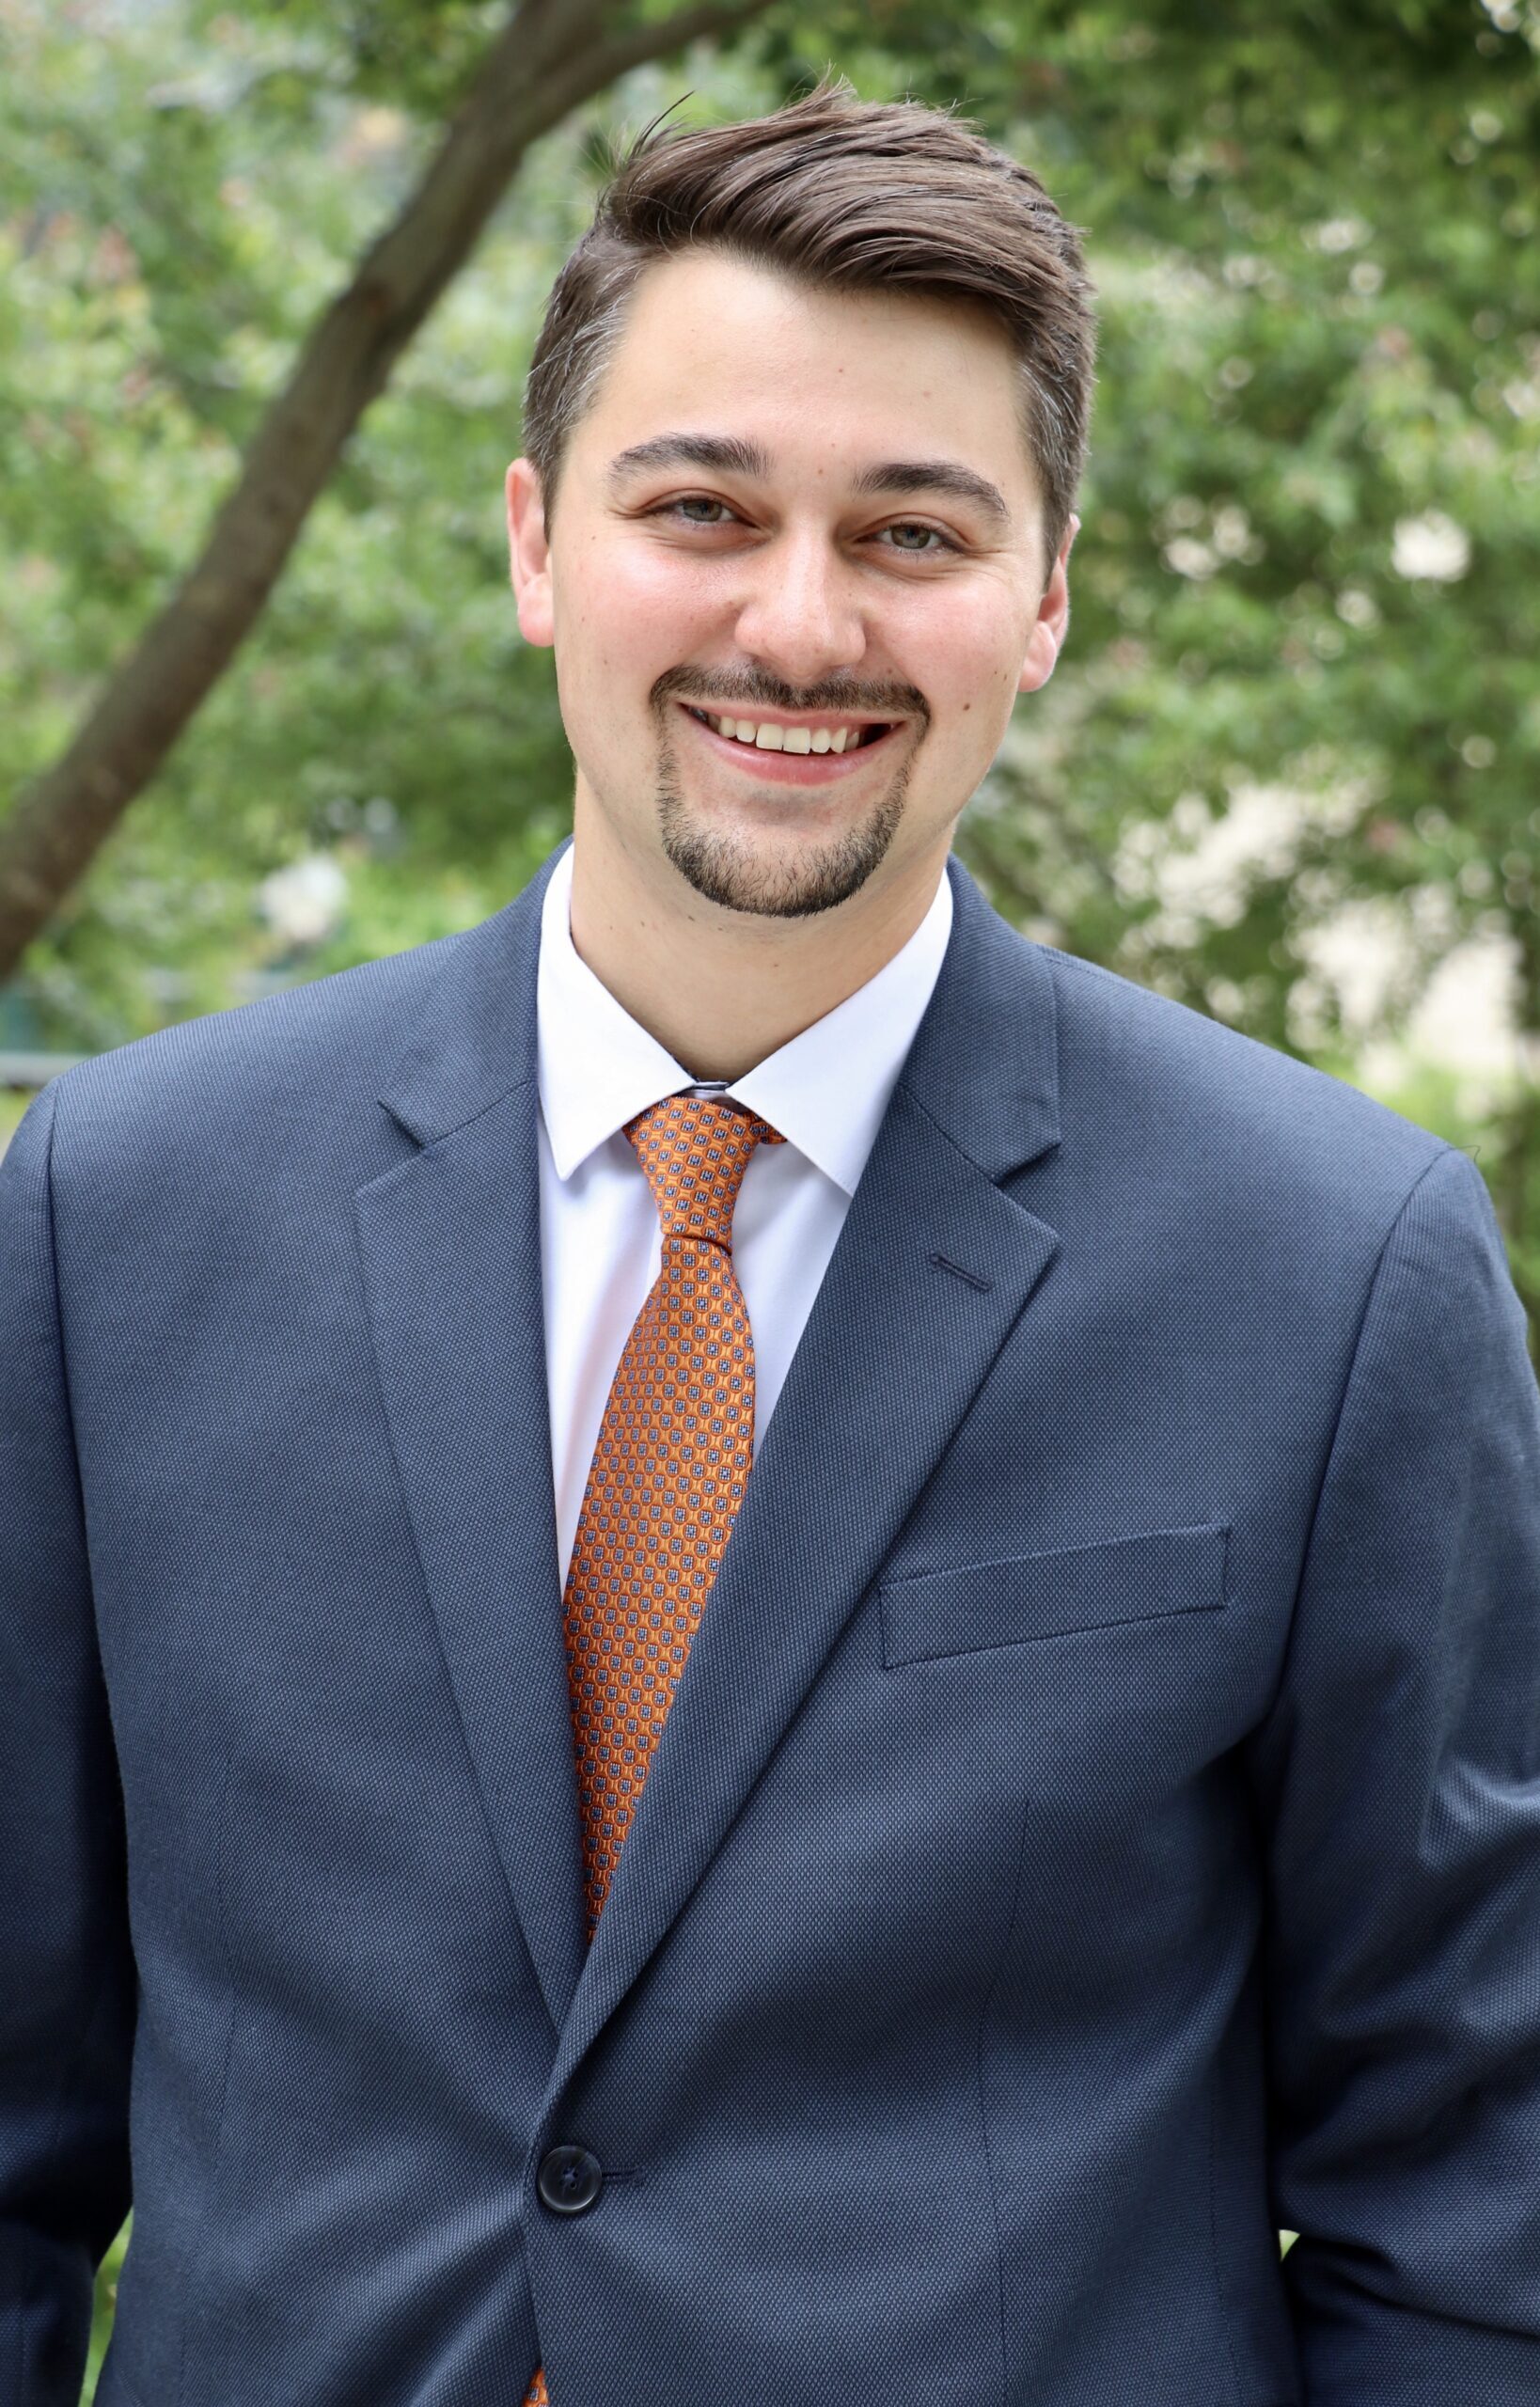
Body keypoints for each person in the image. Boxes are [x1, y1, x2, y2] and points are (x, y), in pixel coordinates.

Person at [2, 79, 1537, 2407]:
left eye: (912, 531)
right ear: (537, 546)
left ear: (1042, 599)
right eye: (699, 507)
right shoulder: (117, 1212)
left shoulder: (1337, 1271)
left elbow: (1477, 2189)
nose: (797, 624)